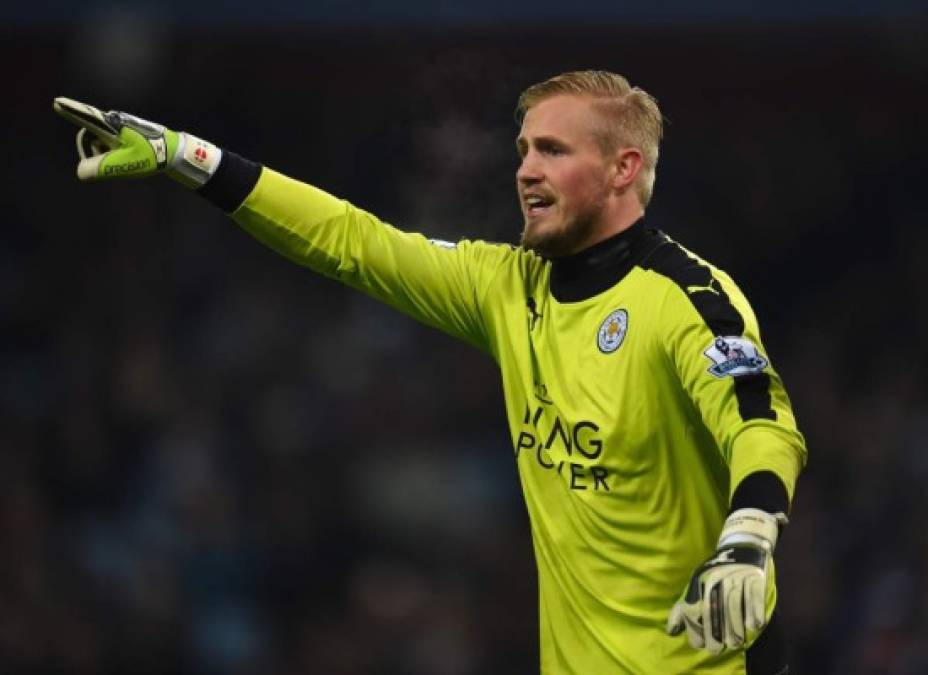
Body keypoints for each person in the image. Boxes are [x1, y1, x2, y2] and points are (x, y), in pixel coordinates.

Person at [54, 70, 806, 674]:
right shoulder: (507, 286)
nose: (525, 171)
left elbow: (761, 422)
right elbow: (352, 241)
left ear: (623, 169)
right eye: (522, 150)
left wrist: (747, 534)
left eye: (552, 150)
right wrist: (186, 155)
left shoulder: (687, 299)